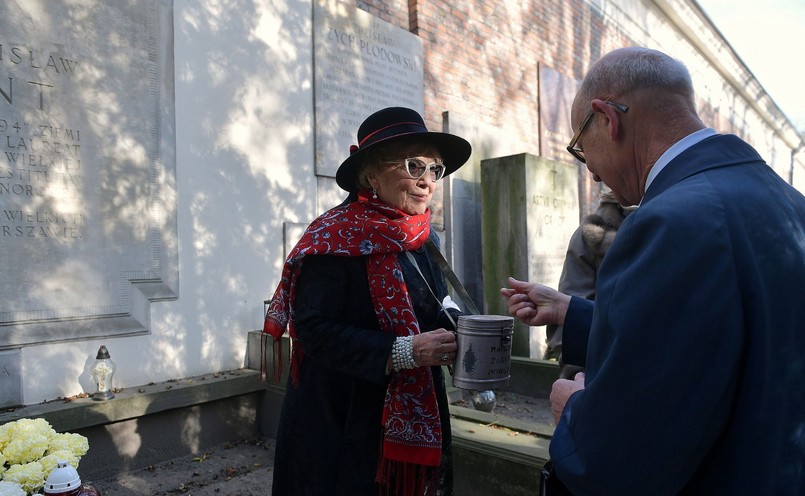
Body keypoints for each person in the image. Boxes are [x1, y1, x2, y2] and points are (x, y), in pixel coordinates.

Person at [501, 47, 805, 494]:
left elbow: (622, 456)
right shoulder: (788, 202)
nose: (595, 177)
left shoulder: (669, 221)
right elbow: (727, 330)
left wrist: (576, 412)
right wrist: (574, 311)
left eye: (584, 152)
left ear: (607, 119)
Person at [264, 106, 472, 495]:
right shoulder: (330, 239)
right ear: (371, 174)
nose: (427, 181)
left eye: (435, 169)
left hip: (413, 416)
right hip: (341, 420)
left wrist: (463, 330)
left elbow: (436, 300)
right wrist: (406, 351)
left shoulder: (425, 237)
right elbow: (313, 330)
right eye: (414, 165)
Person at [544, 187, 635, 380]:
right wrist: (580, 380)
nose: (593, 175)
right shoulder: (592, 235)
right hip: (597, 376)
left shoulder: (670, 222)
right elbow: (568, 319)